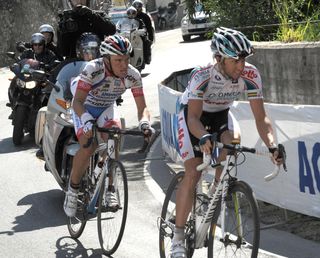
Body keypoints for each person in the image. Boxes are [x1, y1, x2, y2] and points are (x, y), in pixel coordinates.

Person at [170, 27, 284, 258]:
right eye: (235, 61)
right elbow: (192, 117)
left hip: (221, 114)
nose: (241, 66)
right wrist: (202, 136)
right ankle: (178, 237)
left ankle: (213, 194)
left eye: (244, 60)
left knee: (232, 147)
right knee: (193, 172)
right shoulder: (202, 76)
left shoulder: (251, 75)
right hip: (192, 117)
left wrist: (272, 145)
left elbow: (261, 118)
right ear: (219, 58)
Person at [63, 35, 154, 217]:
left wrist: (144, 122)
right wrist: (87, 119)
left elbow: (142, 107)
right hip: (84, 106)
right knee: (89, 145)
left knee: (114, 135)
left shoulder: (132, 75)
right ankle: (72, 191)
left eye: (127, 59)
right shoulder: (93, 69)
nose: (124, 65)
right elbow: (77, 102)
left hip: (106, 106)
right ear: (106, 60)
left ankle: (110, 188)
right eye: (118, 60)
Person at [35, 32, 101, 160]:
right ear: (79, 50)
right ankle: (45, 146)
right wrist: (50, 86)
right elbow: (56, 78)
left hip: (94, 105)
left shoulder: (103, 65)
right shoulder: (69, 64)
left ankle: (109, 159)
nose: (90, 54)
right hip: (71, 104)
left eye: (94, 50)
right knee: (48, 112)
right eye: (86, 50)